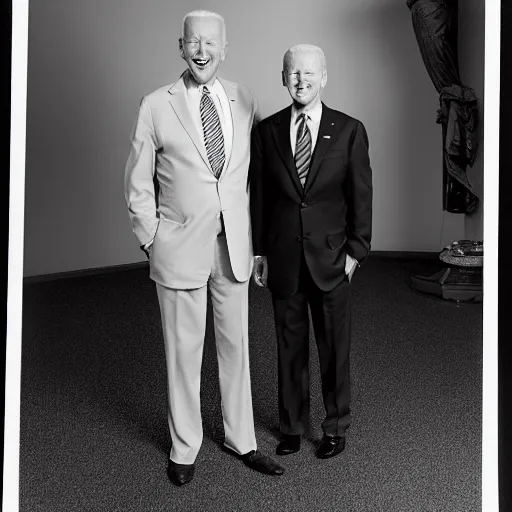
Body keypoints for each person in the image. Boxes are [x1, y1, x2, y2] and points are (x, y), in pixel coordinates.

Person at [124, 10, 284, 486]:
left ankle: (242, 439)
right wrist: (151, 238)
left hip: (233, 247)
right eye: (194, 42)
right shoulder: (155, 104)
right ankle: (184, 446)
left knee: (237, 347)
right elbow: (137, 183)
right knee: (183, 351)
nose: (202, 51)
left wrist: (258, 244)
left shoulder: (244, 98)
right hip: (179, 247)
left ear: (224, 47)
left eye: (210, 43)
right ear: (180, 46)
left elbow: (253, 179)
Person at [250, 44, 372, 459]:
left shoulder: (349, 130)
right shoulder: (266, 131)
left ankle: (336, 426)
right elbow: (260, 199)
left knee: (334, 347)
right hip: (283, 257)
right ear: (283, 78)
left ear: (324, 77)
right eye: (292, 73)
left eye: (308, 73)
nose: (300, 81)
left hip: (333, 259)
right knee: (289, 346)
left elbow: (361, 195)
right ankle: (291, 427)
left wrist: (355, 251)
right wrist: (259, 253)